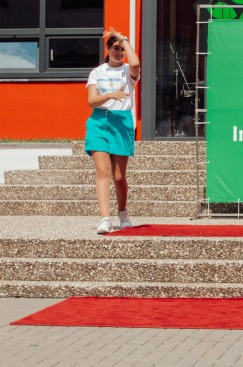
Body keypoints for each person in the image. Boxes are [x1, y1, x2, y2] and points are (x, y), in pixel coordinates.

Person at [85, 28, 140, 234]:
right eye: (115, 48)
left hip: (122, 122)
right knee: (103, 171)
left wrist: (124, 39)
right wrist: (111, 95)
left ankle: (123, 213)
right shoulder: (97, 72)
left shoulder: (128, 70)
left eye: (122, 49)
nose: (119, 52)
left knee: (118, 176)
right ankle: (105, 219)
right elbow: (91, 100)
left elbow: (135, 63)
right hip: (99, 122)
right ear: (107, 49)